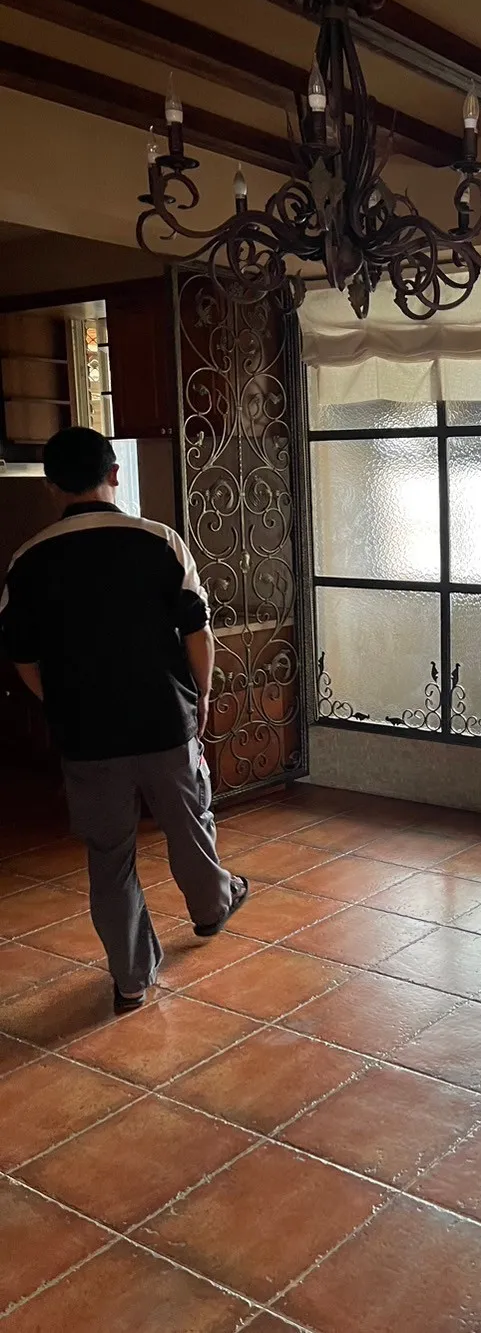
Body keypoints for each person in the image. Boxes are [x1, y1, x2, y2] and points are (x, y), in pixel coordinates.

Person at [0, 426, 248, 1012]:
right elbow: (197, 631)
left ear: (52, 485)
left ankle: (132, 980)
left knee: (109, 857)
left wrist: (58, 701)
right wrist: (202, 694)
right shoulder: (159, 541)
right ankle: (212, 907)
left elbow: (21, 655)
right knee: (189, 822)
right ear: (114, 474)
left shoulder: (27, 561)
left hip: (87, 735)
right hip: (164, 719)